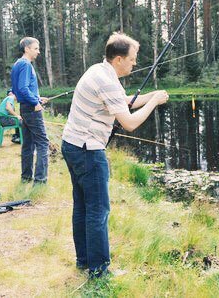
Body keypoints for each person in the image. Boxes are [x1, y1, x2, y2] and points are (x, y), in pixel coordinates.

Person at [61, 32, 169, 278]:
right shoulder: (107, 81)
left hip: (72, 145)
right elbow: (129, 122)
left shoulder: (99, 71)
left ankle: (84, 260)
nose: (134, 64)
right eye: (132, 59)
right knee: (98, 210)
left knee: (82, 206)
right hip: (88, 151)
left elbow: (124, 103)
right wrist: (153, 104)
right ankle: (99, 270)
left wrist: (152, 96)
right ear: (119, 59)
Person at [10, 37, 50, 185]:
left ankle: (26, 177)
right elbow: (22, 88)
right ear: (27, 49)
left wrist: (37, 98)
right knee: (43, 143)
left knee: (28, 144)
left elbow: (15, 89)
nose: (38, 52)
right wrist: (35, 102)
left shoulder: (17, 64)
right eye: (36, 48)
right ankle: (40, 181)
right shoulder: (26, 65)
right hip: (31, 109)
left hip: (24, 108)